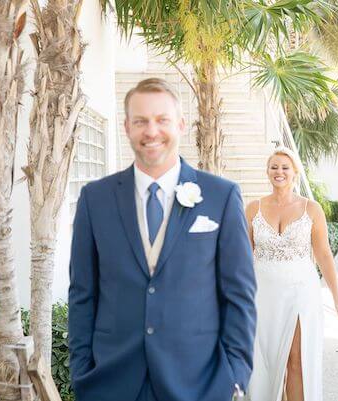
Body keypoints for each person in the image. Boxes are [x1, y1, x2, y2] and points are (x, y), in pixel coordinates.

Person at [68, 77, 257, 401]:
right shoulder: (94, 199)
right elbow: (82, 295)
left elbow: (239, 296)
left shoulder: (221, 197)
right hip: (112, 385)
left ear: (181, 124)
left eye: (162, 120)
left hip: (199, 385)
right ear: (126, 127)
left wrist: (235, 377)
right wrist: (82, 375)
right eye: (140, 121)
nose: (151, 131)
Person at [246, 148, 338, 401]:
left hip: (301, 293)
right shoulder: (252, 209)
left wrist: (337, 297)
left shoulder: (311, 209)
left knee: (296, 359)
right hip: (262, 295)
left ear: (295, 172)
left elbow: (323, 254)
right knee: (264, 361)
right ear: (267, 171)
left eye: (285, 167)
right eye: (274, 167)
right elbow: (244, 256)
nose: (279, 172)